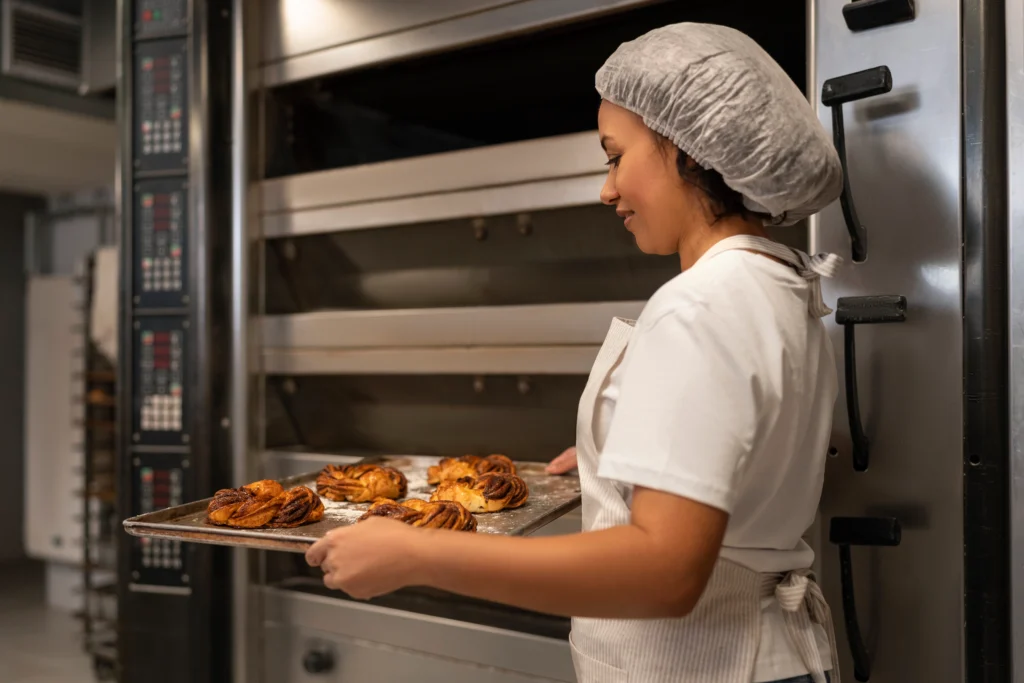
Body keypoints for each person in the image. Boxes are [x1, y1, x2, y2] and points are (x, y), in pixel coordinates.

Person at [306, 22, 844, 683]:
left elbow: (665, 572)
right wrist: (618, 455)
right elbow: (743, 462)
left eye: (615, 156)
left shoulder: (699, 305)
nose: (607, 189)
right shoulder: (777, 287)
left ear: (686, 148)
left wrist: (417, 555)